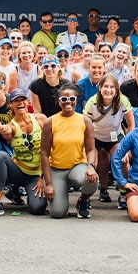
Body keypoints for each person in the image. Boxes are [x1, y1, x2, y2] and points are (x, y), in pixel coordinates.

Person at [0, 88, 48, 217]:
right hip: (18, 171)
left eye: (23, 99)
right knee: (0, 156)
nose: (20, 103)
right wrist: (1, 128)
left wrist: (43, 178)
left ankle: (15, 191)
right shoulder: (12, 125)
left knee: (38, 209)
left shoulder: (41, 119)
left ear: (27, 102)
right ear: (11, 105)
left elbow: (49, 149)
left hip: (36, 174)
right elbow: (7, 131)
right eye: (16, 101)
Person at [40, 83, 98, 219]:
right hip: (56, 169)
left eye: (72, 99)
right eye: (64, 99)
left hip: (76, 166)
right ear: (58, 102)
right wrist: (48, 184)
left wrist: (91, 166)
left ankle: (82, 202)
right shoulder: (50, 122)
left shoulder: (85, 121)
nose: (68, 102)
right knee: (57, 213)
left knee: (92, 179)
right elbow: (44, 154)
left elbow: (91, 149)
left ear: (76, 100)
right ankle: (59, 192)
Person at [83, 74, 134, 205]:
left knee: (123, 160)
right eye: (105, 86)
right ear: (100, 88)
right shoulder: (92, 102)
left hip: (115, 137)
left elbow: (131, 125)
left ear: (116, 90)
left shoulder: (123, 101)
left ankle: (123, 193)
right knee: (94, 161)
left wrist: (127, 145)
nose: (108, 90)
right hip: (96, 137)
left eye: (112, 87)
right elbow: (85, 126)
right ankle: (99, 190)